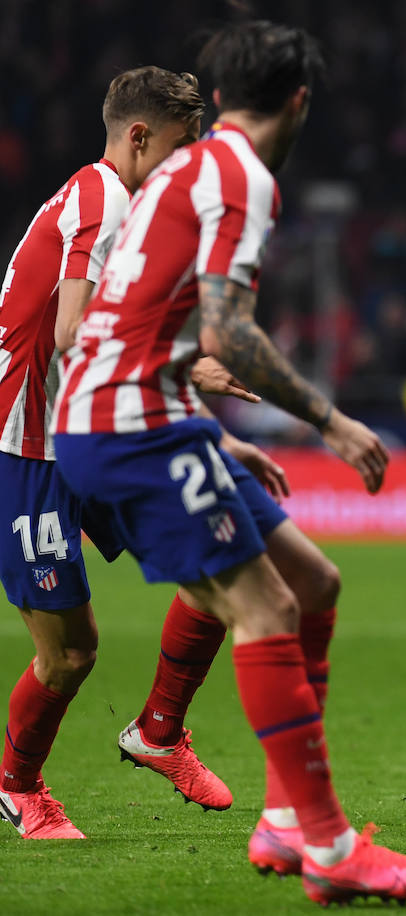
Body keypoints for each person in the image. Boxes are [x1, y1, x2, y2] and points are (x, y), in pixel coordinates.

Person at [51, 21, 406, 904]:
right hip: (126, 427)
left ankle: (282, 819)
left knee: (312, 584)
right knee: (265, 606)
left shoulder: (184, 171)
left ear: (223, 97)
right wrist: (330, 420)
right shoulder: (241, 180)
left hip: (140, 414)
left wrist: (213, 434)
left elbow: (134, 325)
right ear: (301, 102)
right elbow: (230, 331)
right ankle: (328, 845)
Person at [0, 65, 247, 839]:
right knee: (72, 656)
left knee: (219, 567)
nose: (188, 163)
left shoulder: (128, 204)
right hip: (31, 445)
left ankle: (159, 732)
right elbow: (74, 332)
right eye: (180, 147)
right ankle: (16, 785)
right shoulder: (103, 202)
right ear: (138, 136)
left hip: (91, 424)